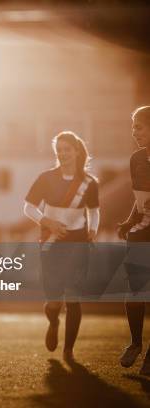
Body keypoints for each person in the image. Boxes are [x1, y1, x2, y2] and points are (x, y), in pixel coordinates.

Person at [23, 131, 100, 362]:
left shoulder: (89, 183)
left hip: (77, 244)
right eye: (59, 150)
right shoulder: (46, 178)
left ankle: (69, 350)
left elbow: (94, 211)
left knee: (73, 298)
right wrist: (48, 222)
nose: (63, 154)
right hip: (50, 244)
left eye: (67, 149)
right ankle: (54, 321)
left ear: (77, 151)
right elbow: (28, 208)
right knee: (54, 300)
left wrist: (93, 230)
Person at [117, 106, 150, 374]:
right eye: (133, 126)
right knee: (134, 291)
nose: (134, 131)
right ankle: (136, 343)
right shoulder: (136, 159)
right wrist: (129, 221)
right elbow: (139, 201)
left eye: (139, 126)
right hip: (141, 232)